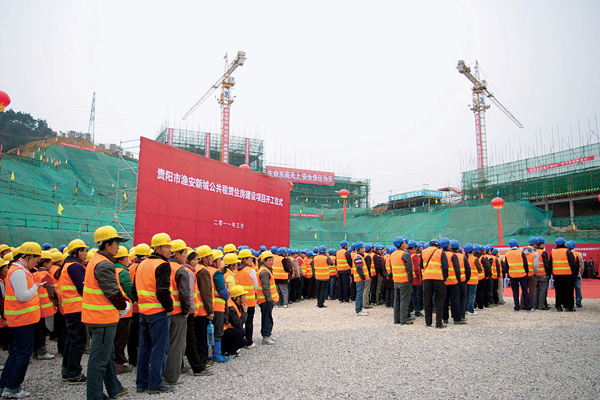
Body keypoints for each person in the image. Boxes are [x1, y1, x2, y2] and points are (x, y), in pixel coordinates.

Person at [82, 226, 130, 400]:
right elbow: (112, 292)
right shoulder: (103, 264)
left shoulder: (97, 260)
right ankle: (94, 396)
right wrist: (124, 306)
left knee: (105, 357)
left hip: (99, 317)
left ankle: (114, 388)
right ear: (107, 245)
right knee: (98, 362)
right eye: (116, 243)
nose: (118, 247)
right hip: (102, 319)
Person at [131, 233, 175, 394]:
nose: (170, 250)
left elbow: (133, 290)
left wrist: (141, 302)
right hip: (158, 312)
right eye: (167, 246)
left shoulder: (141, 264)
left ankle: (141, 382)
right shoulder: (162, 265)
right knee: (159, 348)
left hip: (144, 312)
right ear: (158, 248)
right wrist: (169, 308)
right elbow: (163, 291)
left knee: (144, 347)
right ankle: (155, 383)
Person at [0, 242, 43, 398]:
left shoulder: (19, 269)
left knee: (16, 352)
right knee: (23, 354)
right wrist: (36, 287)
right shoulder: (18, 272)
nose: (37, 262)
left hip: (21, 318)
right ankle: (12, 387)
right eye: (36, 259)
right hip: (22, 319)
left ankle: (5, 384)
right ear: (30, 256)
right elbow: (23, 296)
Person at [56, 239, 89, 385]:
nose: (85, 253)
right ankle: (74, 373)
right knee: (78, 341)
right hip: (77, 308)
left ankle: (67, 370)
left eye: (85, 250)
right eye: (82, 250)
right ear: (74, 252)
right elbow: (83, 288)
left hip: (70, 308)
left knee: (71, 340)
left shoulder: (67, 265)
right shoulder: (75, 267)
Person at [164, 240, 191, 385]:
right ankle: (172, 377)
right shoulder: (180, 270)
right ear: (177, 253)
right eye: (184, 253)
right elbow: (184, 294)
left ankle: (161, 372)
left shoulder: (163, 265)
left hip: (163, 311)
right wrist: (186, 311)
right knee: (176, 345)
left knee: (163, 344)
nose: (186, 256)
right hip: (177, 312)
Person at [127, 243, 151, 367]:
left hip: (132, 306)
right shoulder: (144, 267)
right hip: (143, 305)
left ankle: (132, 360)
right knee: (143, 337)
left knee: (131, 335)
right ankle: (143, 360)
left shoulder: (130, 267)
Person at [192, 246, 215, 376]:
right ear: (204, 258)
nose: (212, 258)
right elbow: (206, 293)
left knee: (197, 337)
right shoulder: (203, 271)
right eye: (210, 256)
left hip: (196, 309)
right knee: (202, 338)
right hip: (202, 310)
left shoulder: (195, 268)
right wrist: (210, 310)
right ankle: (203, 362)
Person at [32, 251, 58, 360]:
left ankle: (35, 351)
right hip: (46, 307)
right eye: (49, 263)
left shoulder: (34, 274)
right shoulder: (46, 275)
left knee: (37, 330)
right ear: (44, 264)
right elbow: (52, 292)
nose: (51, 265)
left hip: (36, 306)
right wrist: (56, 302)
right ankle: (42, 351)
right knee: (42, 330)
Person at [113, 246, 133, 374]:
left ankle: (116, 361)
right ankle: (119, 364)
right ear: (122, 259)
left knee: (115, 338)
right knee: (121, 338)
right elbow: (129, 290)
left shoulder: (112, 269)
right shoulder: (123, 272)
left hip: (114, 309)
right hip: (123, 309)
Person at [207, 250, 230, 362]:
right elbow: (223, 292)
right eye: (220, 260)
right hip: (217, 306)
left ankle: (205, 355)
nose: (221, 262)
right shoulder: (217, 273)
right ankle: (217, 355)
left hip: (205, 306)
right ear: (215, 261)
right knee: (217, 331)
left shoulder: (204, 269)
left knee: (206, 331)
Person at [421, 239, 448, 328]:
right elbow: (445, 266)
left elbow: (421, 266)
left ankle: (428, 322)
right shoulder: (440, 252)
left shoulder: (423, 252)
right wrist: (444, 278)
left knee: (427, 300)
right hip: (438, 278)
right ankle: (438, 323)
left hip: (427, 278)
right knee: (439, 301)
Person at [236, 249, 258, 349]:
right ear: (245, 259)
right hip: (249, 301)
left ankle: (239, 341)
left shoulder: (235, 270)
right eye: (250, 258)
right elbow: (256, 285)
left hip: (237, 300)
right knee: (249, 321)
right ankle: (249, 342)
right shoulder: (250, 270)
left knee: (239, 321)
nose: (252, 261)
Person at [550, 237, 578, 312]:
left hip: (557, 275)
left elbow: (550, 264)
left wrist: (552, 273)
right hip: (568, 275)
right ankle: (569, 307)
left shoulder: (553, 252)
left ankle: (559, 306)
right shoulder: (568, 252)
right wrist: (575, 274)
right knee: (569, 291)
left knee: (558, 291)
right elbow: (573, 264)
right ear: (564, 244)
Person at [390, 236, 413, 325]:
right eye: (404, 242)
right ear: (401, 244)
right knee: (404, 300)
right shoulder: (405, 254)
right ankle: (404, 319)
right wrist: (410, 280)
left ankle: (396, 319)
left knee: (397, 300)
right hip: (404, 280)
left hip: (396, 280)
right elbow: (409, 269)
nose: (406, 244)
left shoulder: (393, 254)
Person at [257, 251, 279, 344]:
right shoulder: (265, 272)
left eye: (272, 260)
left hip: (266, 299)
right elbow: (265, 287)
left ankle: (268, 334)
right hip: (265, 300)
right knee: (267, 318)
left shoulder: (265, 270)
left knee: (267, 317)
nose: (271, 262)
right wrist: (269, 299)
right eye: (269, 260)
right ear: (264, 261)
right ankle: (265, 337)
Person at [503, 239, 531, 311]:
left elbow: (506, 265)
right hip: (522, 274)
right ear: (517, 244)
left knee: (515, 291)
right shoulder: (521, 252)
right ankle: (527, 306)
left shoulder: (507, 254)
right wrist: (526, 272)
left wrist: (508, 274)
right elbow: (525, 264)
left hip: (512, 275)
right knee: (525, 291)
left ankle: (517, 306)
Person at [442, 238, 464, 325]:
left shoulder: (440, 254)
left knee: (444, 301)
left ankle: (445, 318)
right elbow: (457, 269)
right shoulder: (452, 255)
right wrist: (458, 280)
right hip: (453, 281)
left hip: (444, 281)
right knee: (455, 300)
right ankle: (456, 319)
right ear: (448, 245)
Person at [222, 285, 248, 357]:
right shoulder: (232, 308)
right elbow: (238, 324)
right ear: (236, 297)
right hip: (224, 334)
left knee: (244, 341)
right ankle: (230, 351)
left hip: (227, 333)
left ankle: (228, 350)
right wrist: (245, 313)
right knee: (241, 331)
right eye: (243, 295)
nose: (244, 297)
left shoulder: (236, 305)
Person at [351, 242, 369, 316]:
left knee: (360, 293)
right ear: (360, 248)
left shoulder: (359, 256)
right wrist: (363, 277)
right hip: (360, 279)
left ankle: (360, 309)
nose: (364, 248)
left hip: (359, 278)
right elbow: (359, 269)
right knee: (359, 294)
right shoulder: (358, 257)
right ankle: (358, 310)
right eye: (363, 247)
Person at [533, 237, 551, 310]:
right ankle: (541, 305)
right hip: (543, 274)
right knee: (543, 291)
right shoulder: (543, 253)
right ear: (542, 244)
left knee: (536, 290)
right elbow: (546, 264)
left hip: (535, 274)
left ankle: (535, 305)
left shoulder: (534, 252)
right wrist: (548, 273)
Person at [464, 244, 479, 315]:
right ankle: (471, 310)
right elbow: (480, 269)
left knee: (466, 295)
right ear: (472, 251)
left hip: (466, 280)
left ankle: (465, 309)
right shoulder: (475, 259)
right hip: (473, 280)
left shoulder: (464, 258)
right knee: (472, 295)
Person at [568, 241, 583, 308]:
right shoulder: (578, 254)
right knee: (578, 288)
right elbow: (582, 265)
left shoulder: (566, 253)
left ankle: (569, 302)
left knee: (568, 289)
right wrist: (580, 273)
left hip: (568, 274)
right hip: (577, 274)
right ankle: (578, 302)